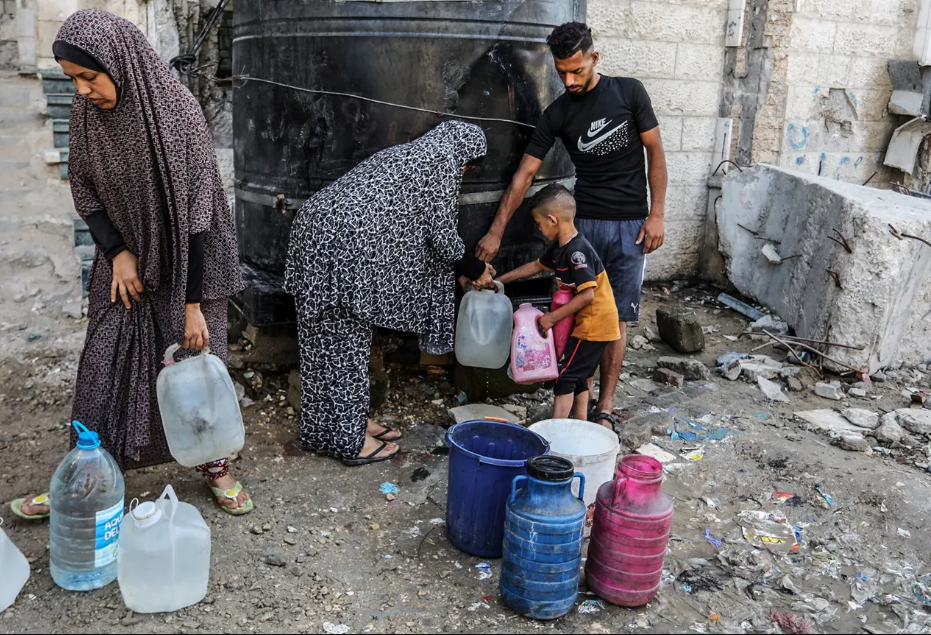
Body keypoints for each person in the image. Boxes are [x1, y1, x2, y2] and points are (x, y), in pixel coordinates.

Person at [12, 9, 252, 518]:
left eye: (87, 77)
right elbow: (84, 188)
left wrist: (193, 307)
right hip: (124, 264)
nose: (80, 91)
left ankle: (216, 468)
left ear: (118, 64)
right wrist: (119, 253)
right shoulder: (85, 115)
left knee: (195, 372)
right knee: (102, 367)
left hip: (189, 263)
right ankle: (84, 474)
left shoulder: (176, 113)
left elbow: (201, 215)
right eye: (71, 79)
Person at [475, 22, 667, 432]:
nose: (569, 80)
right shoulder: (559, 113)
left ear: (594, 58)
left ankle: (606, 407)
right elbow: (524, 175)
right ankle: (580, 406)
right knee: (584, 313)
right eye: (561, 71)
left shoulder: (629, 92)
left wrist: (658, 214)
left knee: (617, 319)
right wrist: (495, 231)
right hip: (586, 223)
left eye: (577, 70)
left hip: (631, 223)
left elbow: (656, 153)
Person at [285, 121, 495, 465]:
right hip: (344, 244)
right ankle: (350, 442)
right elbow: (440, 235)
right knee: (345, 346)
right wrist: (474, 269)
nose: (465, 171)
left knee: (319, 342)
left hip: (313, 229)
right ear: (467, 155)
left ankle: (326, 429)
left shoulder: (407, 152)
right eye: (469, 166)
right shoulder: (444, 159)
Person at [488, 185, 620, 423]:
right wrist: (498, 281)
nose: (538, 228)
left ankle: (556, 431)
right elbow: (534, 267)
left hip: (594, 324)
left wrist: (551, 318)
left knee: (564, 376)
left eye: (539, 223)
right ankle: (580, 426)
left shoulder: (576, 252)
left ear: (552, 219)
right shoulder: (561, 248)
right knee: (580, 376)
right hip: (590, 323)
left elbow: (587, 295)